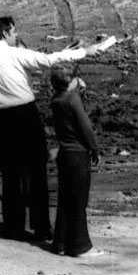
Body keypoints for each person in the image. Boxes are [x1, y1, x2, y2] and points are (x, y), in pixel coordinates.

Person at [0, 16, 100, 242]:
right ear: (7, 33)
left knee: (9, 174)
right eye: (14, 32)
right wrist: (84, 52)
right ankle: (41, 227)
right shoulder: (15, 53)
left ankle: (13, 227)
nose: (16, 35)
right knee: (36, 172)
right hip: (24, 114)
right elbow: (50, 60)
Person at [50, 68, 103, 257]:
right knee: (79, 200)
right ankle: (80, 246)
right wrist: (95, 148)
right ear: (71, 81)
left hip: (64, 154)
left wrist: (79, 93)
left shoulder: (56, 99)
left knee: (65, 199)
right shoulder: (73, 99)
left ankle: (61, 243)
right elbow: (85, 126)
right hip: (78, 153)